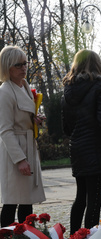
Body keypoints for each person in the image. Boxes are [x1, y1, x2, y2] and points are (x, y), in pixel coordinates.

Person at [61, 49, 101, 235]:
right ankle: (90, 236)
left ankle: (74, 235)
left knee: (80, 197)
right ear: (96, 64)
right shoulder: (99, 86)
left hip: (77, 147)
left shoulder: (67, 90)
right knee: (94, 199)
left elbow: (66, 128)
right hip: (94, 147)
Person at [0, 46, 46, 226]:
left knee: (27, 200)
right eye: (18, 65)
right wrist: (19, 159)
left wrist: (35, 120)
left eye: (25, 63)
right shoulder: (4, 92)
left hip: (28, 145)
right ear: (7, 67)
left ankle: (27, 235)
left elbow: (23, 115)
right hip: (15, 151)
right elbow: (4, 130)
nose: (23, 68)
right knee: (12, 201)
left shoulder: (25, 87)